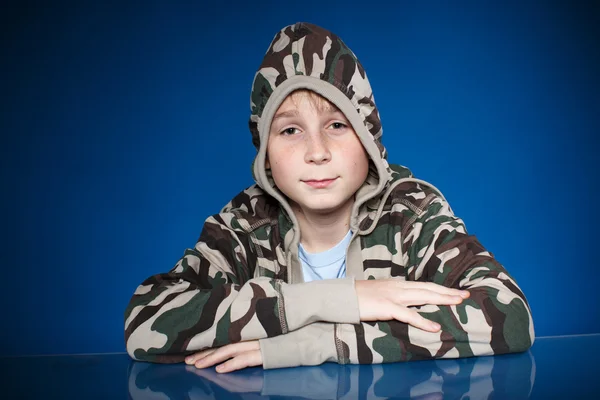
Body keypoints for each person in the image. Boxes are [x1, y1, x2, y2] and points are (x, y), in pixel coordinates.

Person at [124, 22, 534, 374]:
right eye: (290, 130)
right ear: (265, 149)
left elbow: (511, 318)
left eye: (337, 124)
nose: (316, 152)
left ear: (368, 137)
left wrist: (318, 343)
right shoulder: (245, 224)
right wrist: (343, 298)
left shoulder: (410, 213)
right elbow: (146, 322)